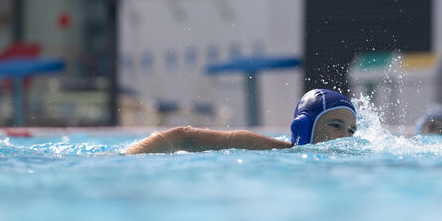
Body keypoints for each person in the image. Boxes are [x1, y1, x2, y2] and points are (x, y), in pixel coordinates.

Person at [125, 88, 357, 154]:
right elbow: (183, 136)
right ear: (304, 127)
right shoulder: (265, 148)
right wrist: (127, 157)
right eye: (335, 125)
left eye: (351, 131)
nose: (345, 137)